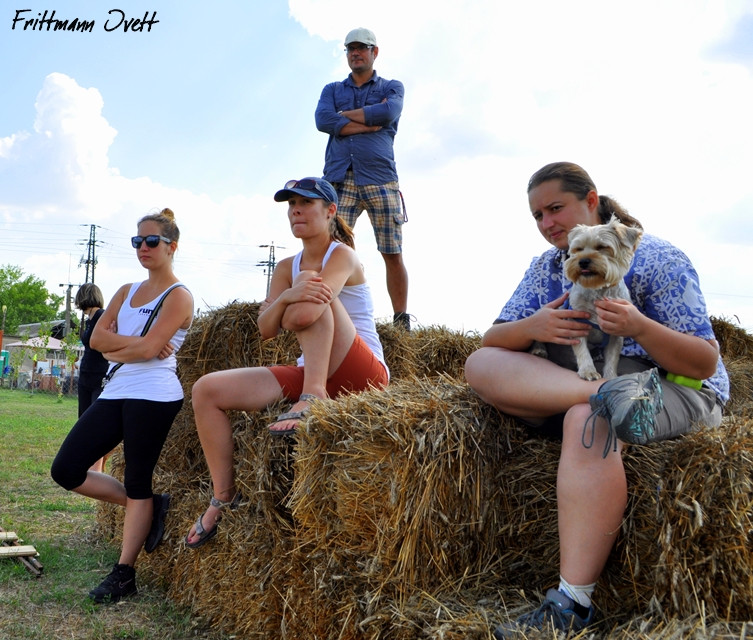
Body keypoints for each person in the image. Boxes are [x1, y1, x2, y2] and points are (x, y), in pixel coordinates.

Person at [464, 162, 729, 637]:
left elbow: (703, 364)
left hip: (675, 384)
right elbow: (492, 338)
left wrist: (639, 327)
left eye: (555, 209)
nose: (547, 224)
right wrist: (532, 329)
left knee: (588, 420)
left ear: (591, 200)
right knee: (479, 365)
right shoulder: (547, 267)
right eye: (537, 216)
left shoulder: (657, 258)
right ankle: (604, 393)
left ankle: (573, 604)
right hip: (594, 378)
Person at [185, 177, 389, 548]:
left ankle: (313, 397)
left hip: (362, 373)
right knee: (206, 390)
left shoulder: (341, 255)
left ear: (330, 211)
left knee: (310, 290)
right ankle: (223, 496)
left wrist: (289, 299)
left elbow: (307, 312)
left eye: (306, 202)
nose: (295, 210)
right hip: (313, 366)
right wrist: (286, 297)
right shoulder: (285, 267)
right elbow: (265, 329)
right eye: (290, 204)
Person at [51, 208, 194, 604]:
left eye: (152, 241)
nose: (143, 248)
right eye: (137, 241)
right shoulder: (126, 291)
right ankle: (150, 507)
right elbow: (96, 341)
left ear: (172, 247)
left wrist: (126, 346)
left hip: (155, 395)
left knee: (137, 480)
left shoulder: (178, 296)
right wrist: (138, 348)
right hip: (117, 390)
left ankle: (125, 573)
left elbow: (147, 350)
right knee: (66, 469)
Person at [315, 27, 411, 330]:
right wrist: (368, 123)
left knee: (391, 251)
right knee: (332, 249)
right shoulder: (332, 89)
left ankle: (400, 319)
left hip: (381, 179)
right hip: (339, 179)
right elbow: (323, 120)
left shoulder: (393, 86)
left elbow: (389, 112)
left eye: (362, 48)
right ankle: (337, 316)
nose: (355, 53)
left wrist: (346, 116)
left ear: (374, 52)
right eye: (350, 49)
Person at [74, 283, 110, 472]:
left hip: (99, 376)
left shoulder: (102, 315)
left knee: (96, 423)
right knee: (83, 421)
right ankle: (89, 465)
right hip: (86, 375)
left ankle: (96, 469)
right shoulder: (89, 318)